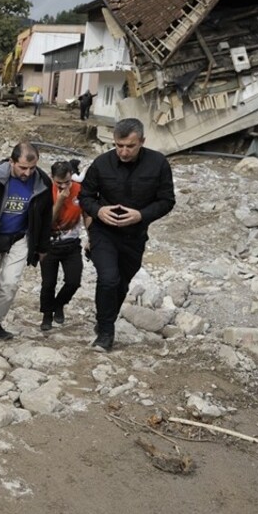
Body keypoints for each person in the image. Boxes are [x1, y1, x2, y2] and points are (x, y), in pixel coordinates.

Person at [79, 117, 175, 351]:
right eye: (118, 145)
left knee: (121, 284)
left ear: (142, 141)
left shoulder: (158, 163)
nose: (123, 151)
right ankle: (105, 332)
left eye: (129, 146)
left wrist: (141, 215)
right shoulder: (101, 164)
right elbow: (85, 197)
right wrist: (99, 211)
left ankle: (105, 319)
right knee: (108, 278)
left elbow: (167, 201)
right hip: (103, 233)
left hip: (135, 235)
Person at [0, 142, 52, 339]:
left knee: (9, 284)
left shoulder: (43, 183)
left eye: (32, 168)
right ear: (11, 161)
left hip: (19, 238)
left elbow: (45, 217)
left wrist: (43, 247)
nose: (27, 173)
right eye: (23, 168)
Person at [39, 159, 85, 331]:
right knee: (48, 283)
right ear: (52, 178)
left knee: (74, 281)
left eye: (67, 182)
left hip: (71, 242)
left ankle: (59, 304)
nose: (64, 186)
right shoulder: (45, 191)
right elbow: (47, 223)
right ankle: (46, 315)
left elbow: (86, 213)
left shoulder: (79, 190)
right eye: (59, 183)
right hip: (50, 243)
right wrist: (59, 201)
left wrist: (92, 237)